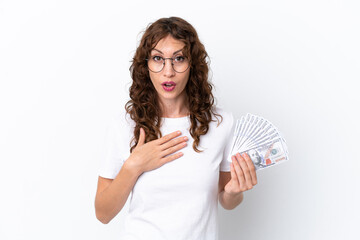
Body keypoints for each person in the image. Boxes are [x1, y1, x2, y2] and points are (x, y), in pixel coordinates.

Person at [94, 16, 258, 240]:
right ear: (146, 65)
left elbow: (227, 200)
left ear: (193, 64)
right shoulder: (125, 125)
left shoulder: (221, 123)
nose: (168, 71)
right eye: (157, 58)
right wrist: (134, 166)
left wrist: (234, 192)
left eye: (179, 59)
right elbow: (102, 214)